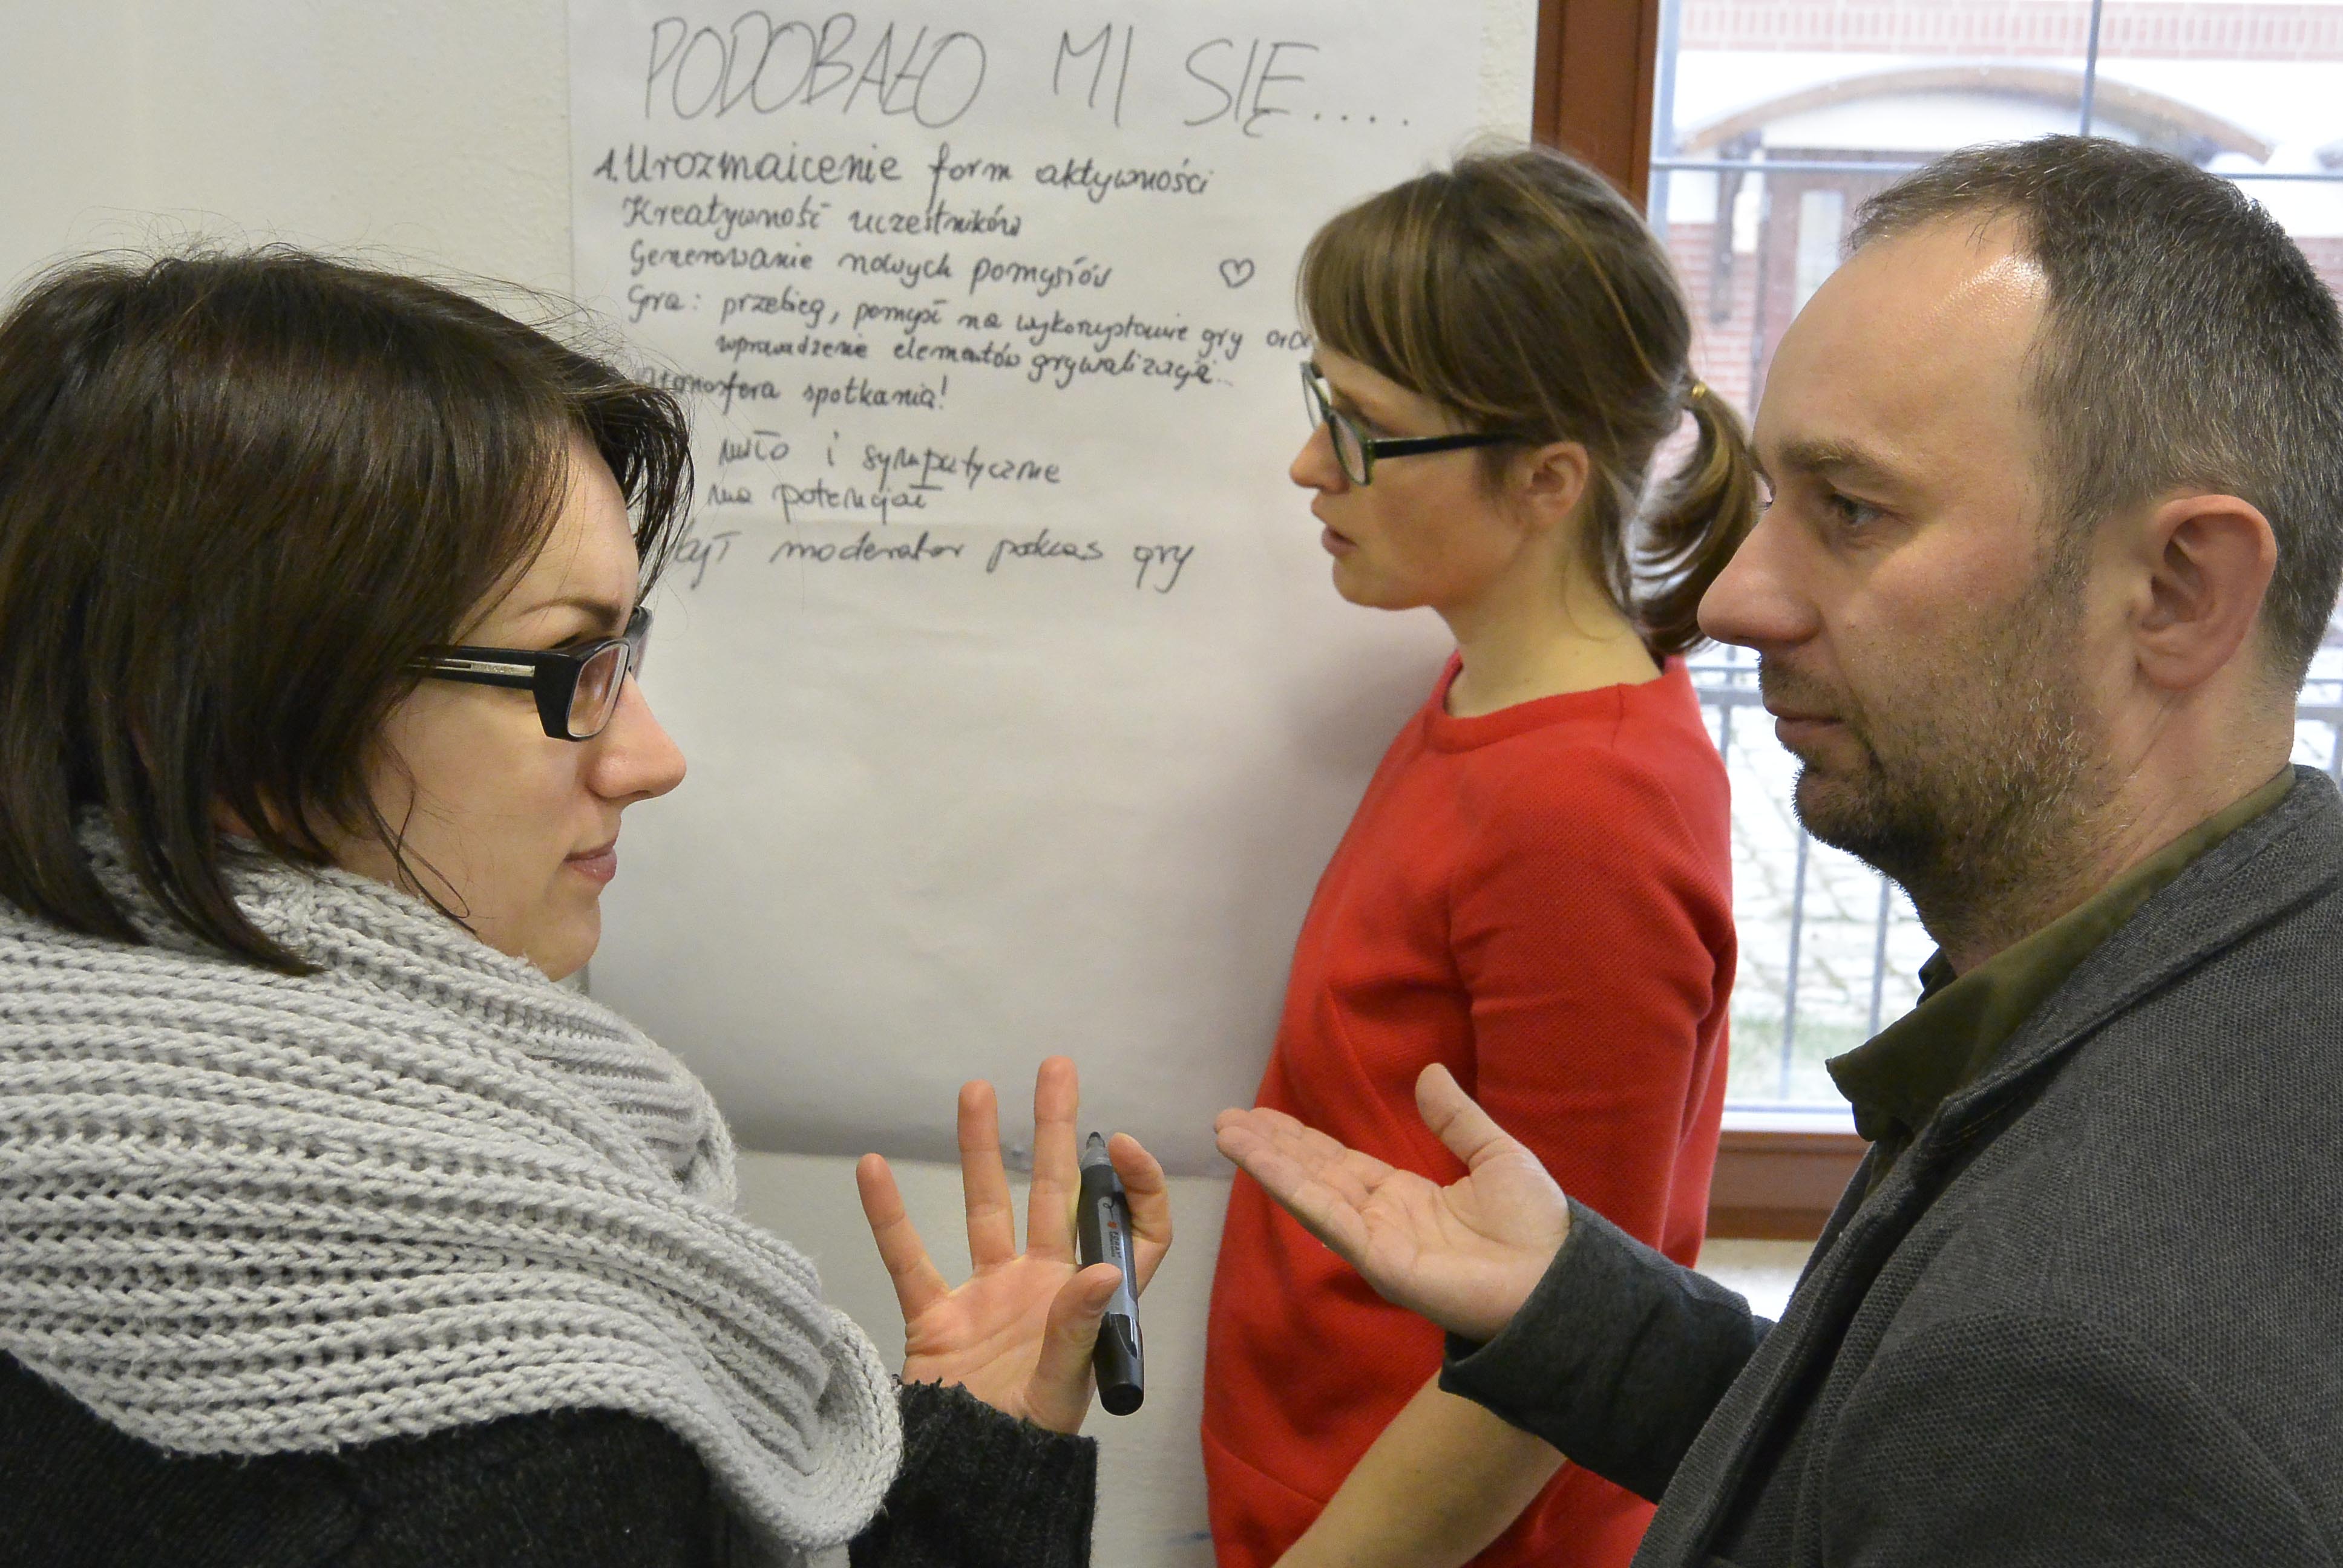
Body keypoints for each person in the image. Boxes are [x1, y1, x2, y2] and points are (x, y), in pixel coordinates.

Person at [1216, 132, 2343, 1566]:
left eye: (1853, 512)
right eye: (1774, 503)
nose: (1733, 598)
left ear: (2179, 590)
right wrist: (1588, 1321)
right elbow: (1882, 1452)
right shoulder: (2230, 966)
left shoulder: (2088, 1376)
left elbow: (1985, 1418)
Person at [0, 249, 1171, 1568]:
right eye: (567, 664)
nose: (650, 757)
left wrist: (973, 1455)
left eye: (623, 654)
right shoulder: (506, 1445)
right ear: (228, 716)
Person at [1202, 146, 1755, 1568]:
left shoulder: (1585, 811)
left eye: (1366, 431)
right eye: (1322, 403)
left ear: (1547, 479)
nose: (1310, 465)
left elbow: (1561, 1341)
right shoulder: (1489, 703)